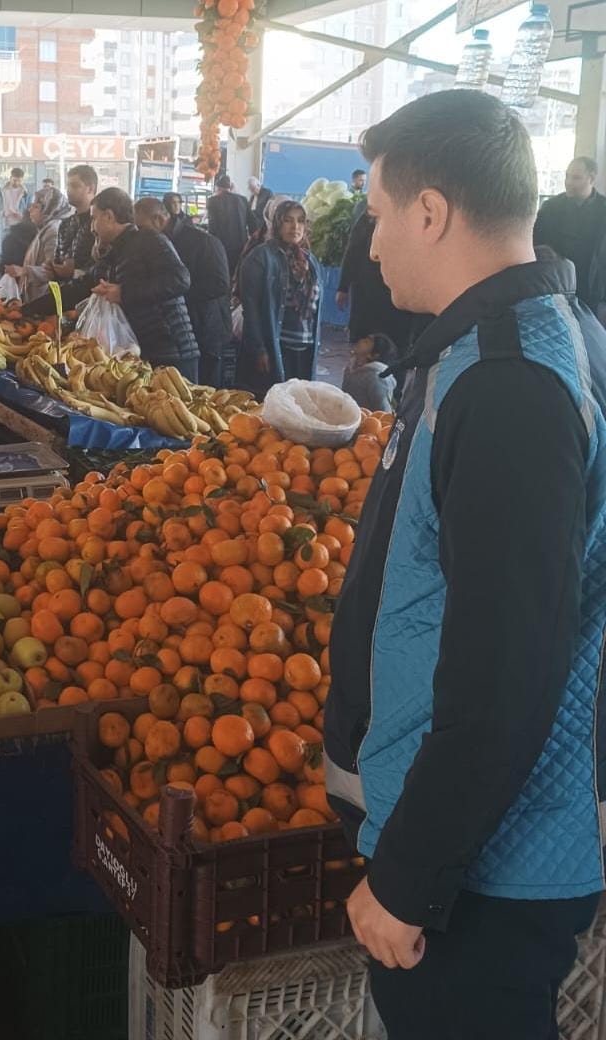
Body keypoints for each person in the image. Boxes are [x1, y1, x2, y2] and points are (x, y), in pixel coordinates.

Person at [324, 89, 606, 1040]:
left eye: (376, 212)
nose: (370, 243)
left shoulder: (512, 380)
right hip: (473, 848)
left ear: (432, 211)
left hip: (491, 869)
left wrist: (410, 878)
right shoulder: (502, 348)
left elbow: (507, 668)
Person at [28, 187, 198, 379]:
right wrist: (28, 310)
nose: (92, 227)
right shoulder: (112, 253)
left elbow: (180, 279)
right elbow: (80, 288)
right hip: (138, 353)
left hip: (172, 353)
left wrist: (123, 293)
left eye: (94, 218)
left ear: (109, 216)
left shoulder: (148, 239)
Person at [134, 196, 231, 386]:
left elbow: (219, 283)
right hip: (175, 334)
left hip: (204, 329)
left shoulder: (203, 241)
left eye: (142, 228)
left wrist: (176, 293)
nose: (139, 234)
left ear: (159, 220)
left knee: (203, 392)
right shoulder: (156, 244)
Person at [236, 199, 322, 395]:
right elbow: (251, 310)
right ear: (277, 223)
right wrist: (259, 350)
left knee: (299, 407)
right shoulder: (260, 258)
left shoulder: (309, 260)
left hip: (305, 349)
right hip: (276, 349)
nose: (295, 226)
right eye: (288, 220)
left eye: (301, 221)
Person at [337, 207, 415, 352]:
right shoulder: (371, 214)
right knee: (365, 347)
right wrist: (343, 286)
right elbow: (354, 249)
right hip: (368, 293)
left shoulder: (416, 215)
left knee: (397, 350)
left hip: (400, 298)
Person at [534, 156, 606, 309]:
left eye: (576, 178)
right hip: (554, 290)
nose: (568, 182)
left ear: (591, 178)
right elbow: (536, 244)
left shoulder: (603, 210)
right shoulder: (550, 208)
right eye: (567, 176)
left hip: (592, 294)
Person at [4, 186, 74, 303]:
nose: (30, 209)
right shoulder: (45, 228)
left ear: (48, 209)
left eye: (36, 206)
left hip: (44, 299)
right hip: (36, 296)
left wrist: (24, 271)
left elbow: (51, 270)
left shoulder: (53, 231)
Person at [50, 164, 97, 281]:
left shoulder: (99, 224)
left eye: (75, 186)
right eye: (68, 185)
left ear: (90, 188)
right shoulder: (66, 224)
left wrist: (75, 273)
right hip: (62, 293)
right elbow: (57, 260)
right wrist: (52, 268)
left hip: (88, 294)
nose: (69, 190)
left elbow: (103, 266)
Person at [206, 174, 251, 275]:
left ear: (218, 187)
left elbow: (212, 226)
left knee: (223, 272)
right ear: (230, 187)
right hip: (241, 245)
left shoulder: (213, 201)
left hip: (222, 245)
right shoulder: (243, 200)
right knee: (237, 273)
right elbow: (253, 225)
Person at [339, 332, 396, 412]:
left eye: (366, 342)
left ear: (373, 355)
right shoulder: (351, 368)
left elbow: (384, 413)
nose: (360, 340)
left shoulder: (376, 379)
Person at [0, 167, 29, 244]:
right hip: (4, 225)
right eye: (14, 180)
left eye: (19, 181)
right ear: (10, 178)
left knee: (19, 249)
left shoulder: (25, 193)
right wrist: (2, 213)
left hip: (20, 226)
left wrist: (22, 215)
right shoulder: (0, 191)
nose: (17, 183)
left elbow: (28, 210)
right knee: (4, 249)